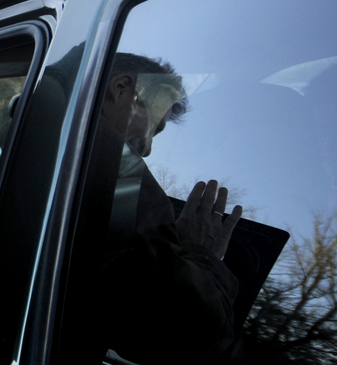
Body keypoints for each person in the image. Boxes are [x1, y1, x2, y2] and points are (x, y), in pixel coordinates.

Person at [74, 52, 243, 365]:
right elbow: (184, 335)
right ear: (122, 88)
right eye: (154, 125)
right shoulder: (122, 182)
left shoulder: (42, 132)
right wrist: (201, 254)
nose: (148, 147)